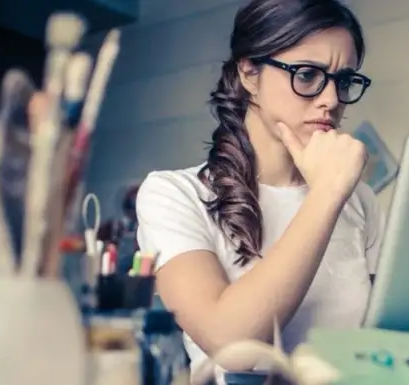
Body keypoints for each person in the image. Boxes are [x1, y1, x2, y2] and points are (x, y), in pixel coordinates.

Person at [134, 0, 382, 376]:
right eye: (307, 74)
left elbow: (385, 341)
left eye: (343, 80)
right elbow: (233, 347)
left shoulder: (359, 199)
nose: (331, 99)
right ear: (250, 72)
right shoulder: (173, 195)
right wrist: (326, 194)